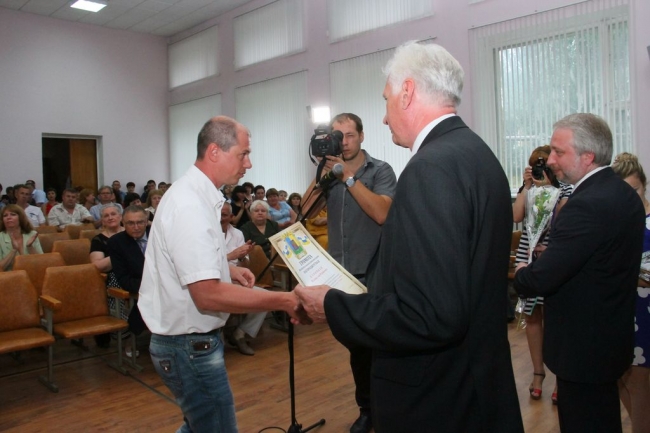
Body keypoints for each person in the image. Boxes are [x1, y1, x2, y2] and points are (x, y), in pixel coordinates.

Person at [294, 41, 524, 433]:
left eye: (386, 100)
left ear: (407, 92)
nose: (385, 118)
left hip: (436, 397)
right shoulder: (477, 153)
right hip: (476, 382)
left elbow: (429, 315)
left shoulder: (429, 168)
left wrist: (332, 304)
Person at [138, 115, 307, 433]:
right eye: (243, 154)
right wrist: (284, 300)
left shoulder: (197, 197)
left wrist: (225, 268)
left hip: (187, 343)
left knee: (200, 426)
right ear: (215, 151)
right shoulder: (190, 205)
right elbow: (208, 295)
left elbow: (184, 259)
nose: (249, 164)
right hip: (187, 346)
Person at [514, 113, 645, 433]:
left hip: (582, 350)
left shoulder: (585, 204)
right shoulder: (625, 194)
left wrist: (521, 270)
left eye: (559, 152)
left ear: (588, 157)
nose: (551, 160)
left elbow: (540, 279)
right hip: (609, 340)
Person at [318, 112, 398, 433]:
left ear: (362, 136)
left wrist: (348, 177)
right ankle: (367, 408)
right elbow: (304, 211)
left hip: (374, 273)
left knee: (378, 348)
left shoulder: (381, 170)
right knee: (357, 349)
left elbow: (382, 213)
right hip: (341, 275)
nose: (344, 142)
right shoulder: (330, 173)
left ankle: (384, 409)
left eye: (349, 135)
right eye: (338, 137)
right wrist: (322, 174)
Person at [512, 145, 572, 403]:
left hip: (553, 256)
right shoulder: (528, 189)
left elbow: (561, 222)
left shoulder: (566, 190)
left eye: (543, 166)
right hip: (528, 257)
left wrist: (552, 188)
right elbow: (516, 215)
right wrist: (527, 187)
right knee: (532, 315)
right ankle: (538, 373)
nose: (539, 171)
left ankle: (560, 376)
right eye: (535, 166)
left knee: (555, 318)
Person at [611, 152, 650, 433]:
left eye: (634, 190)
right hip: (621, 307)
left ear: (644, 185)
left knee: (639, 383)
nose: (631, 198)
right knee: (621, 377)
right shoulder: (617, 221)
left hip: (645, 312)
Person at [220, 201, 266, 356]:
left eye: (224, 215)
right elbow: (207, 263)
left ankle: (240, 334)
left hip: (237, 280)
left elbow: (245, 265)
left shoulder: (237, 234)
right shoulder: (206, 233)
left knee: (265, 299)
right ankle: (221, 337)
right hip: (216, 282)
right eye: (217, 214)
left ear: (231, 217)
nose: (220, 218)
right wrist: (231, 255)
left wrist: (242, 256)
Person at [107, 205, 150, 350]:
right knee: (152, 297)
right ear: (123, 224)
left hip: (165, 281)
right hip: (136, 283)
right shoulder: (116, 242)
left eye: (140, 222)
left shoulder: (157, 235)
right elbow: (123, 278)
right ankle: (133, 336)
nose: (136, 227)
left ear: (146, 221)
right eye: (131, 223)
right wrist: (152, 284)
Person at [89, 203, 126, 348]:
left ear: (121, 217)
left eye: (113, 214)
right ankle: (123, 333)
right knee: (116, 283)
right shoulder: (98, 240)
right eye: (106, 216)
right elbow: (97, 266)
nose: (110, 217)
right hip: (111, 277)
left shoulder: (132, 233)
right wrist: (119, 254)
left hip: (136, 273)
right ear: (102, 221)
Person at [0, 204, 42, 271]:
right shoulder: (0, 237)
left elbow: (41, 262)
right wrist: (13, 250)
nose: (8, 217)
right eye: (5, 215)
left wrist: (30, 247)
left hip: (32, 273)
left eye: (13, 214)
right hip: (9, 275)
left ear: (21, 217)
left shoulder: (32, 234)